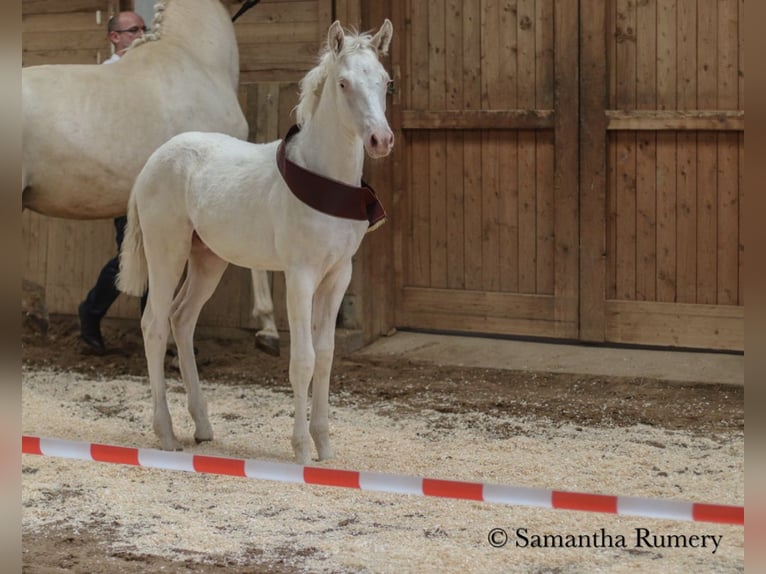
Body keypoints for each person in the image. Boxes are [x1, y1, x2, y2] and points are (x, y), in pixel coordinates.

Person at [78, 12, 148, 354]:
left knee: (158, 256)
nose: (141, 34)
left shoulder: (152, 73)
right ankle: (90, 312)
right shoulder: (106, 76)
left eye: (143, 29)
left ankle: (156, 333)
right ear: (114, 38)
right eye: (133, 30)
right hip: (122, 180)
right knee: (129, 255)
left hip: (152, 179)